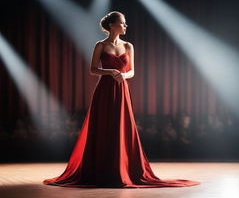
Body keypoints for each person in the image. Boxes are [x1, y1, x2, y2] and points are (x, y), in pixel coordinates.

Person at [43, 11, 200, 188]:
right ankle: (100, 169)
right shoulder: (101, 45)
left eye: (125, 23)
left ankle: (122, 169)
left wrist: (123, 75)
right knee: (103, 127)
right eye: (123, 23)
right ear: (112, 25)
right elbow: (93, 69)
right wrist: (110, 71)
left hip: (122, 89)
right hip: (104, 91)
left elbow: (132, 71)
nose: (125, 26)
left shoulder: (128, 46)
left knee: (121, 127)